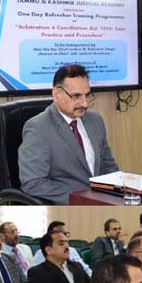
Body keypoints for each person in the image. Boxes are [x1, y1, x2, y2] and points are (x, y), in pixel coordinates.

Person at [19, 64, 119, 204]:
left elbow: (108, 166)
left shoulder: (95, 120)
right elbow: (33, 183)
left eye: (87, 95)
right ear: (56, 94)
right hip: (67, 205)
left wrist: (122, 190)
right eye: (76, 96)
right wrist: (82, 199)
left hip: (101, 201)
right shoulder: (38, 128)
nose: (84, 103)